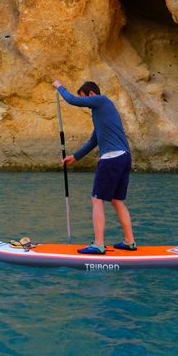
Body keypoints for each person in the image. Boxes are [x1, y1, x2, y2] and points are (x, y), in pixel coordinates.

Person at [52, 79, 137, 255]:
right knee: (116, 200)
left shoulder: (101, 100)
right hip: (124, 158)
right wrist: (74, 157)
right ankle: (129, 242)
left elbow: (72, 100)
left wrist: (59, 86)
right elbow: (93, 141)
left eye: (86, 100)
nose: (87, 105)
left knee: (97, 199)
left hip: (112, 158)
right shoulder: (102, 113)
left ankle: (98, 244)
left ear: (91, 94)